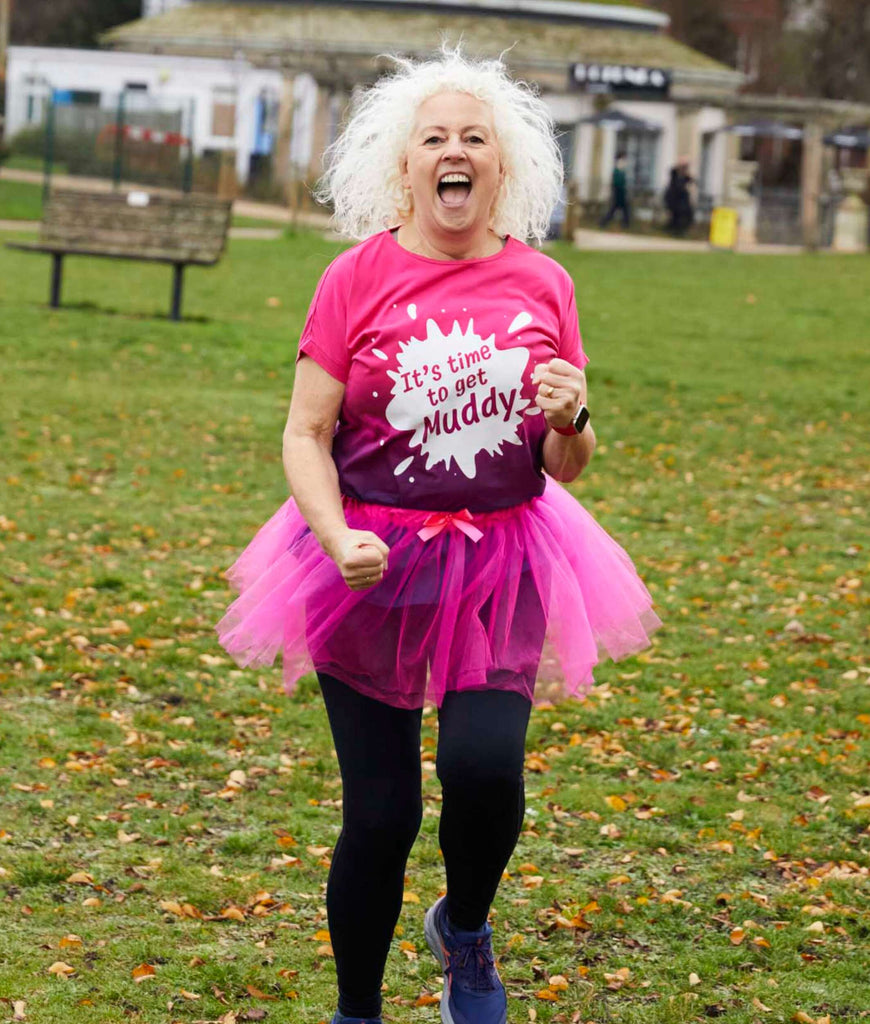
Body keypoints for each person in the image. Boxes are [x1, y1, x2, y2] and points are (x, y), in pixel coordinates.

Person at [216, 44, 661, 1024]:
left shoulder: (543, 282)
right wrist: (334, 536)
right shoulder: (355, 276)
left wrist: (574, 417)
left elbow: (566, 463)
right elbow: (304, 432)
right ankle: (358, 1012)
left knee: (484, 769)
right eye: (434, 138)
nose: (454, 152)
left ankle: (464, 928)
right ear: (403, 165)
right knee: (381, 814)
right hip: (367, 565)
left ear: (505, 167)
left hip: (503, 556)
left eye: (475, 138)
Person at [599, 152, 631, 229]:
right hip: (618, 193)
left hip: (621, 192)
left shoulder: (621, 170)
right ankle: (603, 222)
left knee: (621, 210)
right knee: (615, 210)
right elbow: (617, 182)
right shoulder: (617, 169)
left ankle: (625, 224)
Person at [664, 156, 694, 235]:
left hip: (681, 199)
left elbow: (691, 180)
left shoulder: (685, 175)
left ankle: (680, 230)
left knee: (686, 214)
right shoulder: (674, 172)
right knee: (676, 215)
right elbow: (673, 174)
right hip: (674, 198)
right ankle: (674, 230)